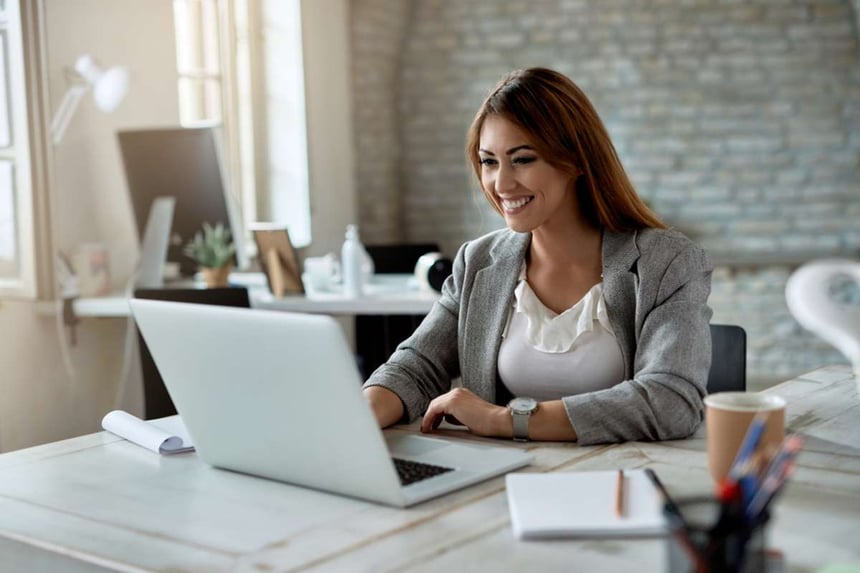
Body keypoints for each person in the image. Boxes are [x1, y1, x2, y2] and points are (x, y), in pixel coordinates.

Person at [362, 67, 713, 445]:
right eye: (489, 161)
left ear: (576, 160)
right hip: (503, 481)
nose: (501, 183)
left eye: (523, 159)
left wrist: (505, 420)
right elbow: (416, 367)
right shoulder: (478, 262)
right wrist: (352, 419)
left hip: (617, 485)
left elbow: (671, 401)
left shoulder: (668, 263)